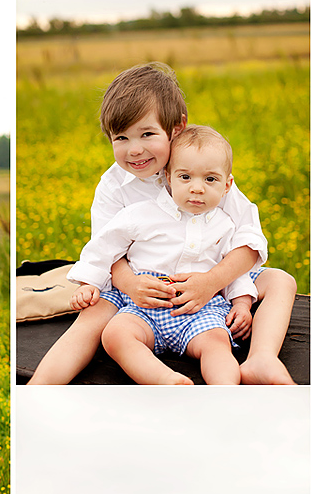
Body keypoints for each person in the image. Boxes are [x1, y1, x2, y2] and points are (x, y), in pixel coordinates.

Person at [27, 61, 297, 385]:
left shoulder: (204, 169)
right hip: (139, 282)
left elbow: (249, 239)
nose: (135, 149)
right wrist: (130, 285)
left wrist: (212, 282)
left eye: (147, 134)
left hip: (205, 273)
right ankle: (38, 388)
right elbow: (107, 248)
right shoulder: (114, 186)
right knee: (93, 316)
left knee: (281, 281)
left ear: (177, 128)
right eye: (121, 138)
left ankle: (261, 359)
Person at [69, 125, 259, 384]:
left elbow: (233, 269)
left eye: (210, 179)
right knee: (115, 334)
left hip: (201, 308)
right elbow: (104, 245)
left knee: (216, 344)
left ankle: (224, 393)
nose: (197, 188)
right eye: (185, 178)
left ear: (227, 185)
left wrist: (241, 304)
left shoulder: (226, 225)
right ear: (167, 178)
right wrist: (89, 282)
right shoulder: (142, 214)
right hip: (146, 307)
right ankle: (166, 381)